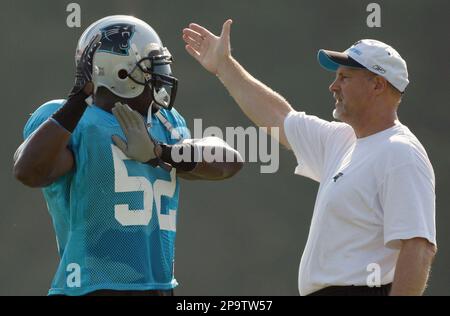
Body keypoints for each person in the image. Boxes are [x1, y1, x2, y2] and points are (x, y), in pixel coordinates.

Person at [182, 20, 437, 296]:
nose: (333, 86)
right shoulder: (342, 140)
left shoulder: (401, 152)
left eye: (345, 78)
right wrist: (224, 66)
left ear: (377, 85)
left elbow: (418, 247)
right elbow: (279, 117)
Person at [13, 15, 242, 296]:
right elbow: (28, 170)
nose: (162, 76)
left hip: (160, 288)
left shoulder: (165, 122)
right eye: (151, 67)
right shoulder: (71, 120)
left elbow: (229, 161)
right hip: (92, 288)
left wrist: (159, 152)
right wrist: (76, 104)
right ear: (118, 73)